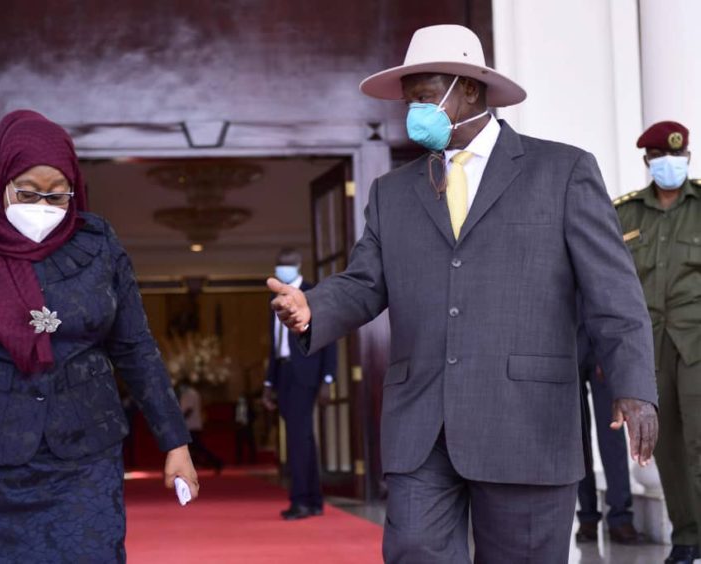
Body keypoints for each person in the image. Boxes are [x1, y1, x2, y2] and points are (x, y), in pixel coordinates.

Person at [268, 25, 658, 563]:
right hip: (422, 425)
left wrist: (634, 385)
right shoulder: (391, 193)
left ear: (468, 90)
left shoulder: (562, 171)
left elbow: (613, 292)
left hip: (526, 421)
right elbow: (364, 282)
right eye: (410, 102)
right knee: (413, 549)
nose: (414, 113)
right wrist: (315, 307)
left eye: (425, 97)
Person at [0, 110, 199, 563]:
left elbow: (135, 347)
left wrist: (174, 441)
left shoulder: (97, 243)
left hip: (84, 458)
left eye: (57, 195)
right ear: (0, 179)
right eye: (28, 192)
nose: (43, 206)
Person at [613, 120, 700, 564]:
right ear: (648, 162)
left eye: (680, 157)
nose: (673, 165)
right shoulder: (624, 214)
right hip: (648, 348)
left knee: (700, 441)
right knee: (663, 445)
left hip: (698, 341)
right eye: (664, 159)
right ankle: (686, 538)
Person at [262, 247, 336, 520]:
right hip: (283, 374)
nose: (283, 268)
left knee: (297, 439)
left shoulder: (312, 293)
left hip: (306, 374)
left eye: (288, 264)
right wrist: (268, 383)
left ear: (299, 264)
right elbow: (275, 346)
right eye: (280, 264)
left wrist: (328, 379)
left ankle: (301, 501)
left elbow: (329, 338)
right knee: (302, 438)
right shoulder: (274, 300)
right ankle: (313, 500)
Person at [575, 325, 645, 545]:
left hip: (602, 342)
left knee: (612, 435)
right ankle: (587, 517)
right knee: (576, 439)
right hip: (564, 341)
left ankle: (620, 516)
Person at [177, 381, 224, 473]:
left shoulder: (190, 394)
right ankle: (211, 463)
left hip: (191, 426)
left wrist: (180, 421)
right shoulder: (187, 394)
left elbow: (188, 410)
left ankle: (216, 462)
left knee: (197, 448)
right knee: (194, 448)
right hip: (190, 425)